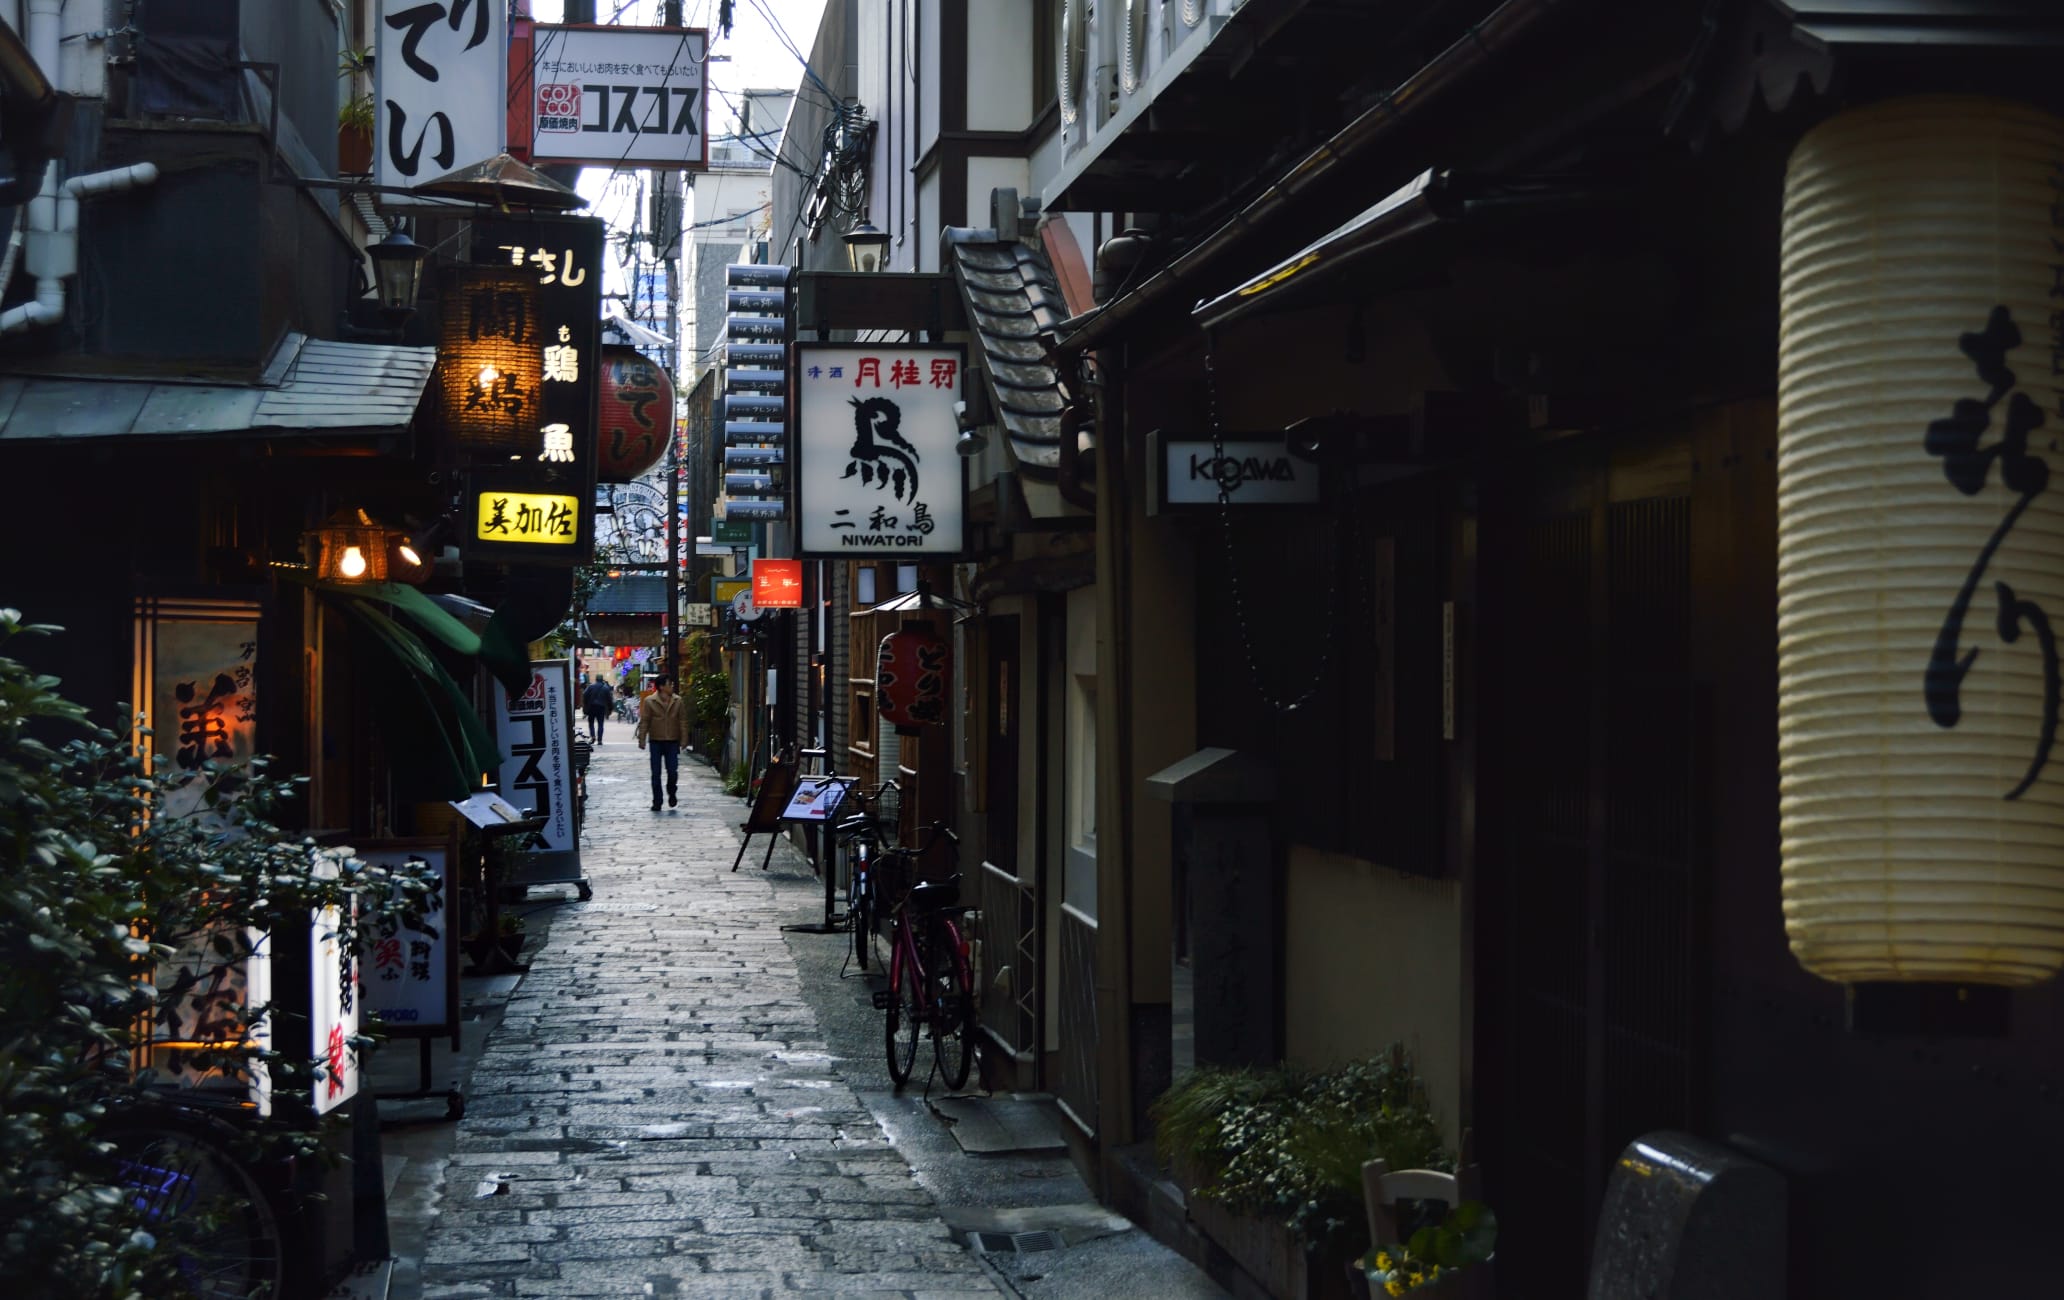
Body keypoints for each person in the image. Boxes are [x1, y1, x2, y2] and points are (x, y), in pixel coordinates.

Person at [635, 674, 687, 812]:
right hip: (656, 741)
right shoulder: (649, 701)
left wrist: (684, 739)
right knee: (655, 773)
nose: (672, 687)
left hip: (672, 741)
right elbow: (645, 721)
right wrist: (642, 739)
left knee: (672, 771)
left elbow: (682, 721)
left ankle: (672, 792)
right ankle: (657, 801)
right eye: (670, 684)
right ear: (662, 687)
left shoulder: (678, 701)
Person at [581, 673, 613, 744]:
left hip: (592, 707)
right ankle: (600, 740)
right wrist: (610, 709)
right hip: (601, 708)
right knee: (600, 724)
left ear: (596, 679)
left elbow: (584, 695)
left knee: (591, 723)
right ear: (602, 680)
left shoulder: (590, 687)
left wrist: (586, 704)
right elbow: (609, 700)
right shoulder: (606, 688)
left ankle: (593, 736)